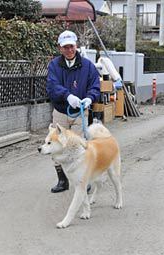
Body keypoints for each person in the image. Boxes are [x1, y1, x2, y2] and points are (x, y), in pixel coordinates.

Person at [46, 30, 101, 193]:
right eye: (65, 47)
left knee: (78, 146)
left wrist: (90, 98)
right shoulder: (54, 65)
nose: (69, 50)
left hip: (80, 112)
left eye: (71, 46)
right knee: (56, 145)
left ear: (76, 46)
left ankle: (84, 179)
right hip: (61, 111)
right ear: (60, 48)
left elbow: (95, 86)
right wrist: (67, 96)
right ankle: (62, 180)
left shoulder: (88, 66)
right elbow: (52, 86)